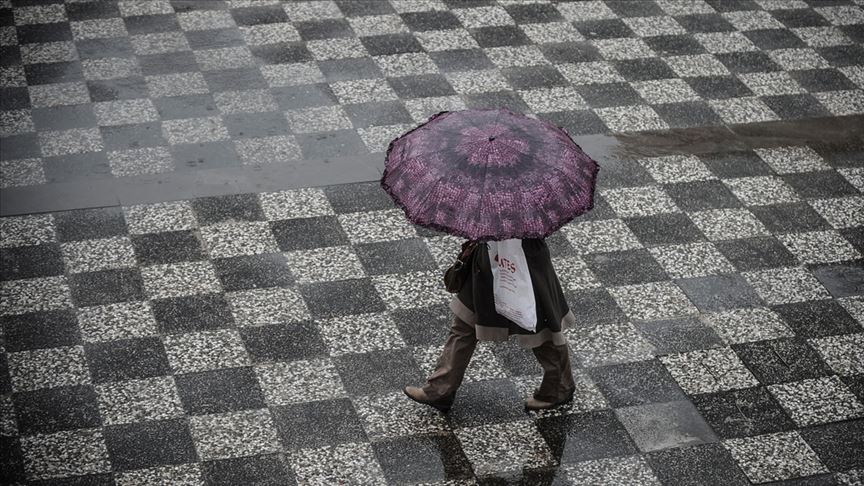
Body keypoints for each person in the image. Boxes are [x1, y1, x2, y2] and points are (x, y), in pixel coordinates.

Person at [404, 238, 577, 412]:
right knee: (465, 321)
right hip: (487, 257)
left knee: (539, 326)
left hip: (525, 261)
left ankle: (560, 386)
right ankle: (441, 388)